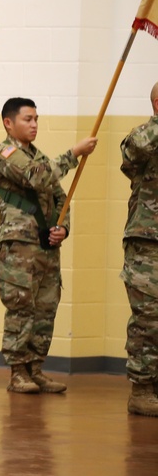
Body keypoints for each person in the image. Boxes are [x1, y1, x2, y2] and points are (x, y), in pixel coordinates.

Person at [0, 97, 96, 394]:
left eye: (36, 119)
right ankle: (18, 371)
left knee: (46, 308)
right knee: (21, 307)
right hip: (19, 244)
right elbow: (38, 177)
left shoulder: (39, 156)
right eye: (27, 119)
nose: (34, 125)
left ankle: (36, 368)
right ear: (9, 123)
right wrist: (74, 153)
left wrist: (63, 227)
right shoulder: (2, 154)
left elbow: (60, 197)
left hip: (46, 243)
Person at [120, 80, 158, 417]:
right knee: (149, 319)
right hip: (149, 243)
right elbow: (131, 154)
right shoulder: (144, 137)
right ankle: (142, 389)